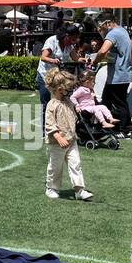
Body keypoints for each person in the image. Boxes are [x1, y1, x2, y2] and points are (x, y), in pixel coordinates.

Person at [43, 68, 93, 201]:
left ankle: (79, 190)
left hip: (71, 141)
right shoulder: (52, 105)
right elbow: (49, 124)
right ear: (59, 89)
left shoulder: (68, 102)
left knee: (75, 164)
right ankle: (51, 188)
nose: (71, 91)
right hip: (56, 143)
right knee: (55, 166)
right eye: (68, 88)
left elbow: (71, 116)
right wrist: (58, 137)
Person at [95, 18, 132, 135]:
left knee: (120, 102)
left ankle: (125, 129)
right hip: (122, 73)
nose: (102, 30)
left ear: (108, 23)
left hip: (117, 75)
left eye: (102, 27)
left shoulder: (113, 33)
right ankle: (105, 125)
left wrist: (94, 61)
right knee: (106, 99)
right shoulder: (123, 31)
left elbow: (102, 51)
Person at [35, 23, 80, 106]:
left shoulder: (69, 46)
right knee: (45, 103)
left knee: (61, 101)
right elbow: (43, 57)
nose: (74, 42)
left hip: (57, 77)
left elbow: (76, 58)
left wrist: (84, 60)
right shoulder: (52, 41)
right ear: (66, 36)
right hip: (45, 75)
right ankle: (45, 119)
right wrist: (53, 60)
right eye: (73, 39)